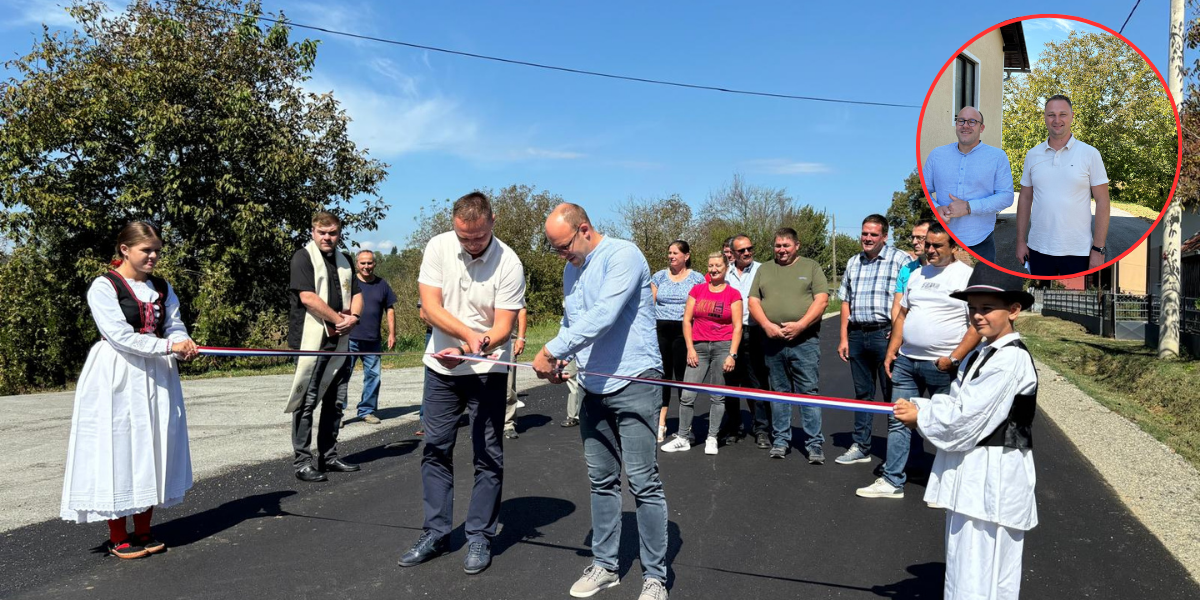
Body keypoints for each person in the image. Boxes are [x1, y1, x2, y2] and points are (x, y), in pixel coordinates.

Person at [532, 203, 670, 600]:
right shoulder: (570, 270)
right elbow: (572, 322)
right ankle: (606, 566)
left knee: (644, 483)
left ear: (585, 229)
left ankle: (655, 577)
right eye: (556, 249)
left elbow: (605, 315)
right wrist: (561, 358)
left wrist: (552, 347)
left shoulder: (623, 255)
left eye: (564, 247)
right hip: (593, 386)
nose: (562, 255)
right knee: (601, 481)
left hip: (635, 381)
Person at [399, 192, 526, 576]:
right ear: (454, 226)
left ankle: (480, 535)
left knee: (487, 453)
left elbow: (504, 325)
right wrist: (464, 337)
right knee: (435, 447)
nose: (471, 244)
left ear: (492, 222)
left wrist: (481, 342)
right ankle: (436, 533)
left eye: (478, 237)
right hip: (441, 369)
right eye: (464, 237)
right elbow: (429, 307)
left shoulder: (510, 262)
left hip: (487, 370)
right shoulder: (438, 246)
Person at [894, 266, 1038, 599]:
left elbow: (966, 421)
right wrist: (919, 407)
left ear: (1014, 310)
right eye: (972, 308)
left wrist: (921, 416)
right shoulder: (981, 353)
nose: (977, 316)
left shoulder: (1009, 360)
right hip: (974, 472)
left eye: (987, 308)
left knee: (981, 568)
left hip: (993, 476)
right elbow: (955, 402)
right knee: (965, 565)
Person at [60, 221, 200, 559]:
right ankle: (117, 533)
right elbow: (119, 335)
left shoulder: (162, 288)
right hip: (118, 374)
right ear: (125, 249)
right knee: (119, 446)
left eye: (157, 251)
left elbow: (174, 323)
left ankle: (144, 529)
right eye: (146, 250)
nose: (153, 256)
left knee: (154, 444)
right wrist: (168, 347)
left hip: (157, 374)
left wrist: (181, 341)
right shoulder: (105, 286)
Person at [858, 224, 978, 499]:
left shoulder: (966, 277)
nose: (931, 250)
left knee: (946, 425)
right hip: (906, 362)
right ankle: (892, 481)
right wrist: (892, 351)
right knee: (899, 419)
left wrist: (953, 358)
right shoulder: (916, 275)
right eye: (928, 245)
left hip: (942, 366)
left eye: (938, 246)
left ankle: (949, 487)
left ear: (954, 248)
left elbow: (976, 326)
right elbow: (902, 315)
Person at [286, 211, 363, 483]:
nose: (327, 237)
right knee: (306, 403)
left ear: (339, 233)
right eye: (322, 232)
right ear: (313, 232)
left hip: (340, 341)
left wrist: (353, 318)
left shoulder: (345, 261)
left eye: (332, 232)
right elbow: (308, 298)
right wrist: (339, 319)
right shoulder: (303, 258)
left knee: (336, 402)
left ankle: (328, 456)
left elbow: (357, 294)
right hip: (312, 341)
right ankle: (302, 461)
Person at [747, 227, 829, 462]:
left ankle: (814, 444)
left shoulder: (810, 267)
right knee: (778, 392)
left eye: (786, 246)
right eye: (777, 246)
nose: (781, 250)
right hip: (773, 341)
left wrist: (801, 325)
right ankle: (781, 440)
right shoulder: (764, 269)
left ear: (797, 246)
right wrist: (767, 326)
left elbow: (821, 300)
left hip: (804, 341)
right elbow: (753, 301)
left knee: (808, 392)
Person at [835, 215, 910, 466]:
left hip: (885, 335)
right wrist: (844, 337)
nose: (867, 238)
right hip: (857, 334)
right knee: (862, 394)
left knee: (893, 395)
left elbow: (911, 300)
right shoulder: (853, 262)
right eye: (864, 233)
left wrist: (900, 332)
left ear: (885, 237)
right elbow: (845, 301)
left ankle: (895, 453)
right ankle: (861, 446)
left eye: (873, 234)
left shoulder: (901, 260)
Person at [1016, 94, 1111, 276]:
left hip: (1078, 251)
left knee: (1075, 303)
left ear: (1072, 116)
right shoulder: (1033, 155)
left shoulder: (1090, 154)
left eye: (1063, 114)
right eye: (1051, 114)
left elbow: (1102, 202)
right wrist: (1021, 241)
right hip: (1038, 249)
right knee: (1040, 300)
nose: (1057, 120)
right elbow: (1025, 199)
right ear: (1044, 117)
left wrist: (1098, 249)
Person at [661, 252, 742, 456]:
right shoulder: (697, 290)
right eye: (711, 265)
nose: (714, 269)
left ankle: (712, 437)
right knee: (687, 395)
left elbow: (738, 326)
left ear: (725, 269)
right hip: (699, 347)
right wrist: (690, 348)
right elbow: (686, 320)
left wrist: (732, 354)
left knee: (717, 396)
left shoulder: (733, 294)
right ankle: (683, 437)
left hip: (722, 347)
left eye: (718, 266)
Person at [923, 107, 1014, 263]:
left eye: (972, 122)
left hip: (981, 243)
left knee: (981, 287)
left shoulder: (997, 157)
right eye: (961, 121)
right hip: (941, 242)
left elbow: (1006, 197)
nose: (965, 125)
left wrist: (969, 207)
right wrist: (936, 207)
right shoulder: (937, 155)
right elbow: (923, 191)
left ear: (982, 127)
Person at [650, 240, 705, 442]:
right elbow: (649, 305)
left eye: (675, 253)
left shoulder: (697, 279)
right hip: (661, 331)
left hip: (684, 331)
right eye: (669, 252)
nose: (671, 256)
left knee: (683, 378)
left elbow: (701, 307)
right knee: (662, 377)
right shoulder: (658, 277)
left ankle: (685, 427)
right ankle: (661, 424)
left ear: (686, 256)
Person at [347, 250, 396, 425]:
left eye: (369, 263)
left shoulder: (382, 284)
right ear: (357, 264)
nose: (366, 266)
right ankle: (336, 414)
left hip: (373, 340)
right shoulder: (350, 283)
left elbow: (390, 309)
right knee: (342, 376)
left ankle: (367, 411)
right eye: (363, 263)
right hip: (350, 338)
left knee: (373, 376)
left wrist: (392, 333)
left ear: (374, 264)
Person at [726, 234, 766, 444]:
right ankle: (733, 427)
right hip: (729, 333)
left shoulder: (762, 270)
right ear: (732, 253)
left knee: (756, 381)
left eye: (750, 248)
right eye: (742, 250)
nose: (747, 253)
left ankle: (761, 429)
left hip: (754, 332)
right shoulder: (725, 273)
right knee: (730, 382)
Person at [892, 219, 934, 323]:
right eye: (913, 237)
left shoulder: (945, 269)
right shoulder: (906, 270)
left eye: (920, 238)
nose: (914, 242)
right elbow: (897, 308)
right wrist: (897, 334)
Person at [503, 307, 529, 439]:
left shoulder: (513, 285)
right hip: (485, 339)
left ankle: (508, 424)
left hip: (508, 341)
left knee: (508, 386)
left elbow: (522, 311)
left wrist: (520, 338)